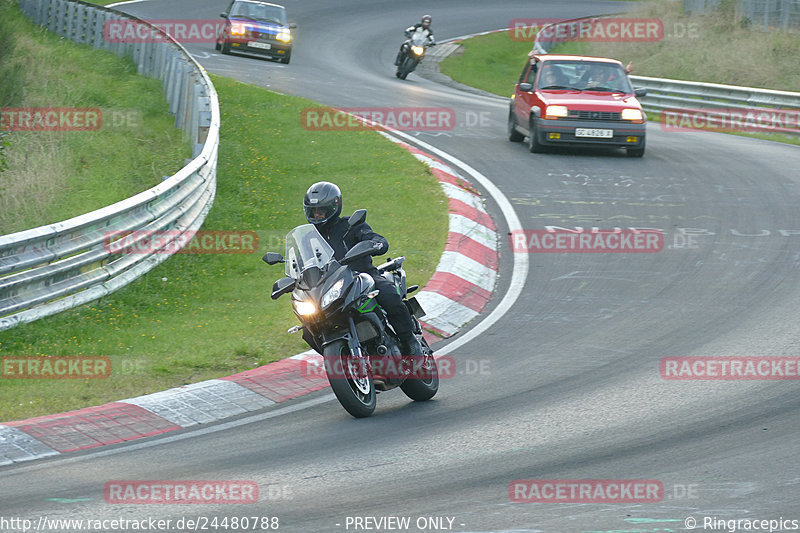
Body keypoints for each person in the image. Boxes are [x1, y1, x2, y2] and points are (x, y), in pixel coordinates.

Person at [302, 181, 424, 357]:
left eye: (321, 210)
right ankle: (342, 359)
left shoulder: (351, 225)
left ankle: (410, 342)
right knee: (308, 328)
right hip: (330, 288)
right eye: (313, 211)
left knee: (389, 297)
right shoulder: (308, 239)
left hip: (363, 277)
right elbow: (304, 265)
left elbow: (373, 237)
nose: (317, 214)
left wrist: (377, 243)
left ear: (333, 207)